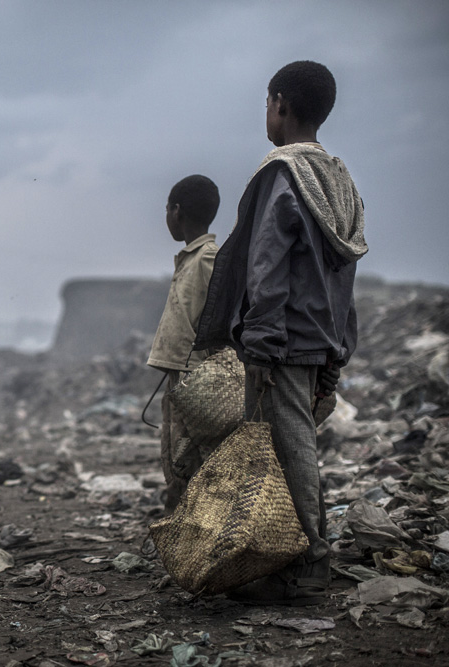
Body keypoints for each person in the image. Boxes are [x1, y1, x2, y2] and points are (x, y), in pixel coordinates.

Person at [193, 60, 366, 605]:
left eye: (267, 104)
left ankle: (307, 560)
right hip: (320, 337)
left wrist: (260, 344)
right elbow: (343, 275)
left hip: (282, 339)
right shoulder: (339, 178)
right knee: (294, 443)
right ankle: (281, 554)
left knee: (286, 448)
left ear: (281, 103)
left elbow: (266, 266)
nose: (266, 114)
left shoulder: (282, 174)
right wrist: (337, 353)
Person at [147, 174, 220, 512]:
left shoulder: (207, 259)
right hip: (181, 376)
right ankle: (182, 529)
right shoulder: (191, 257)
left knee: (192, 463)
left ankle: (196, 533)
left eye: (166, 209)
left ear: (176, 211)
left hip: (198, 381)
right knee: (175, 460)